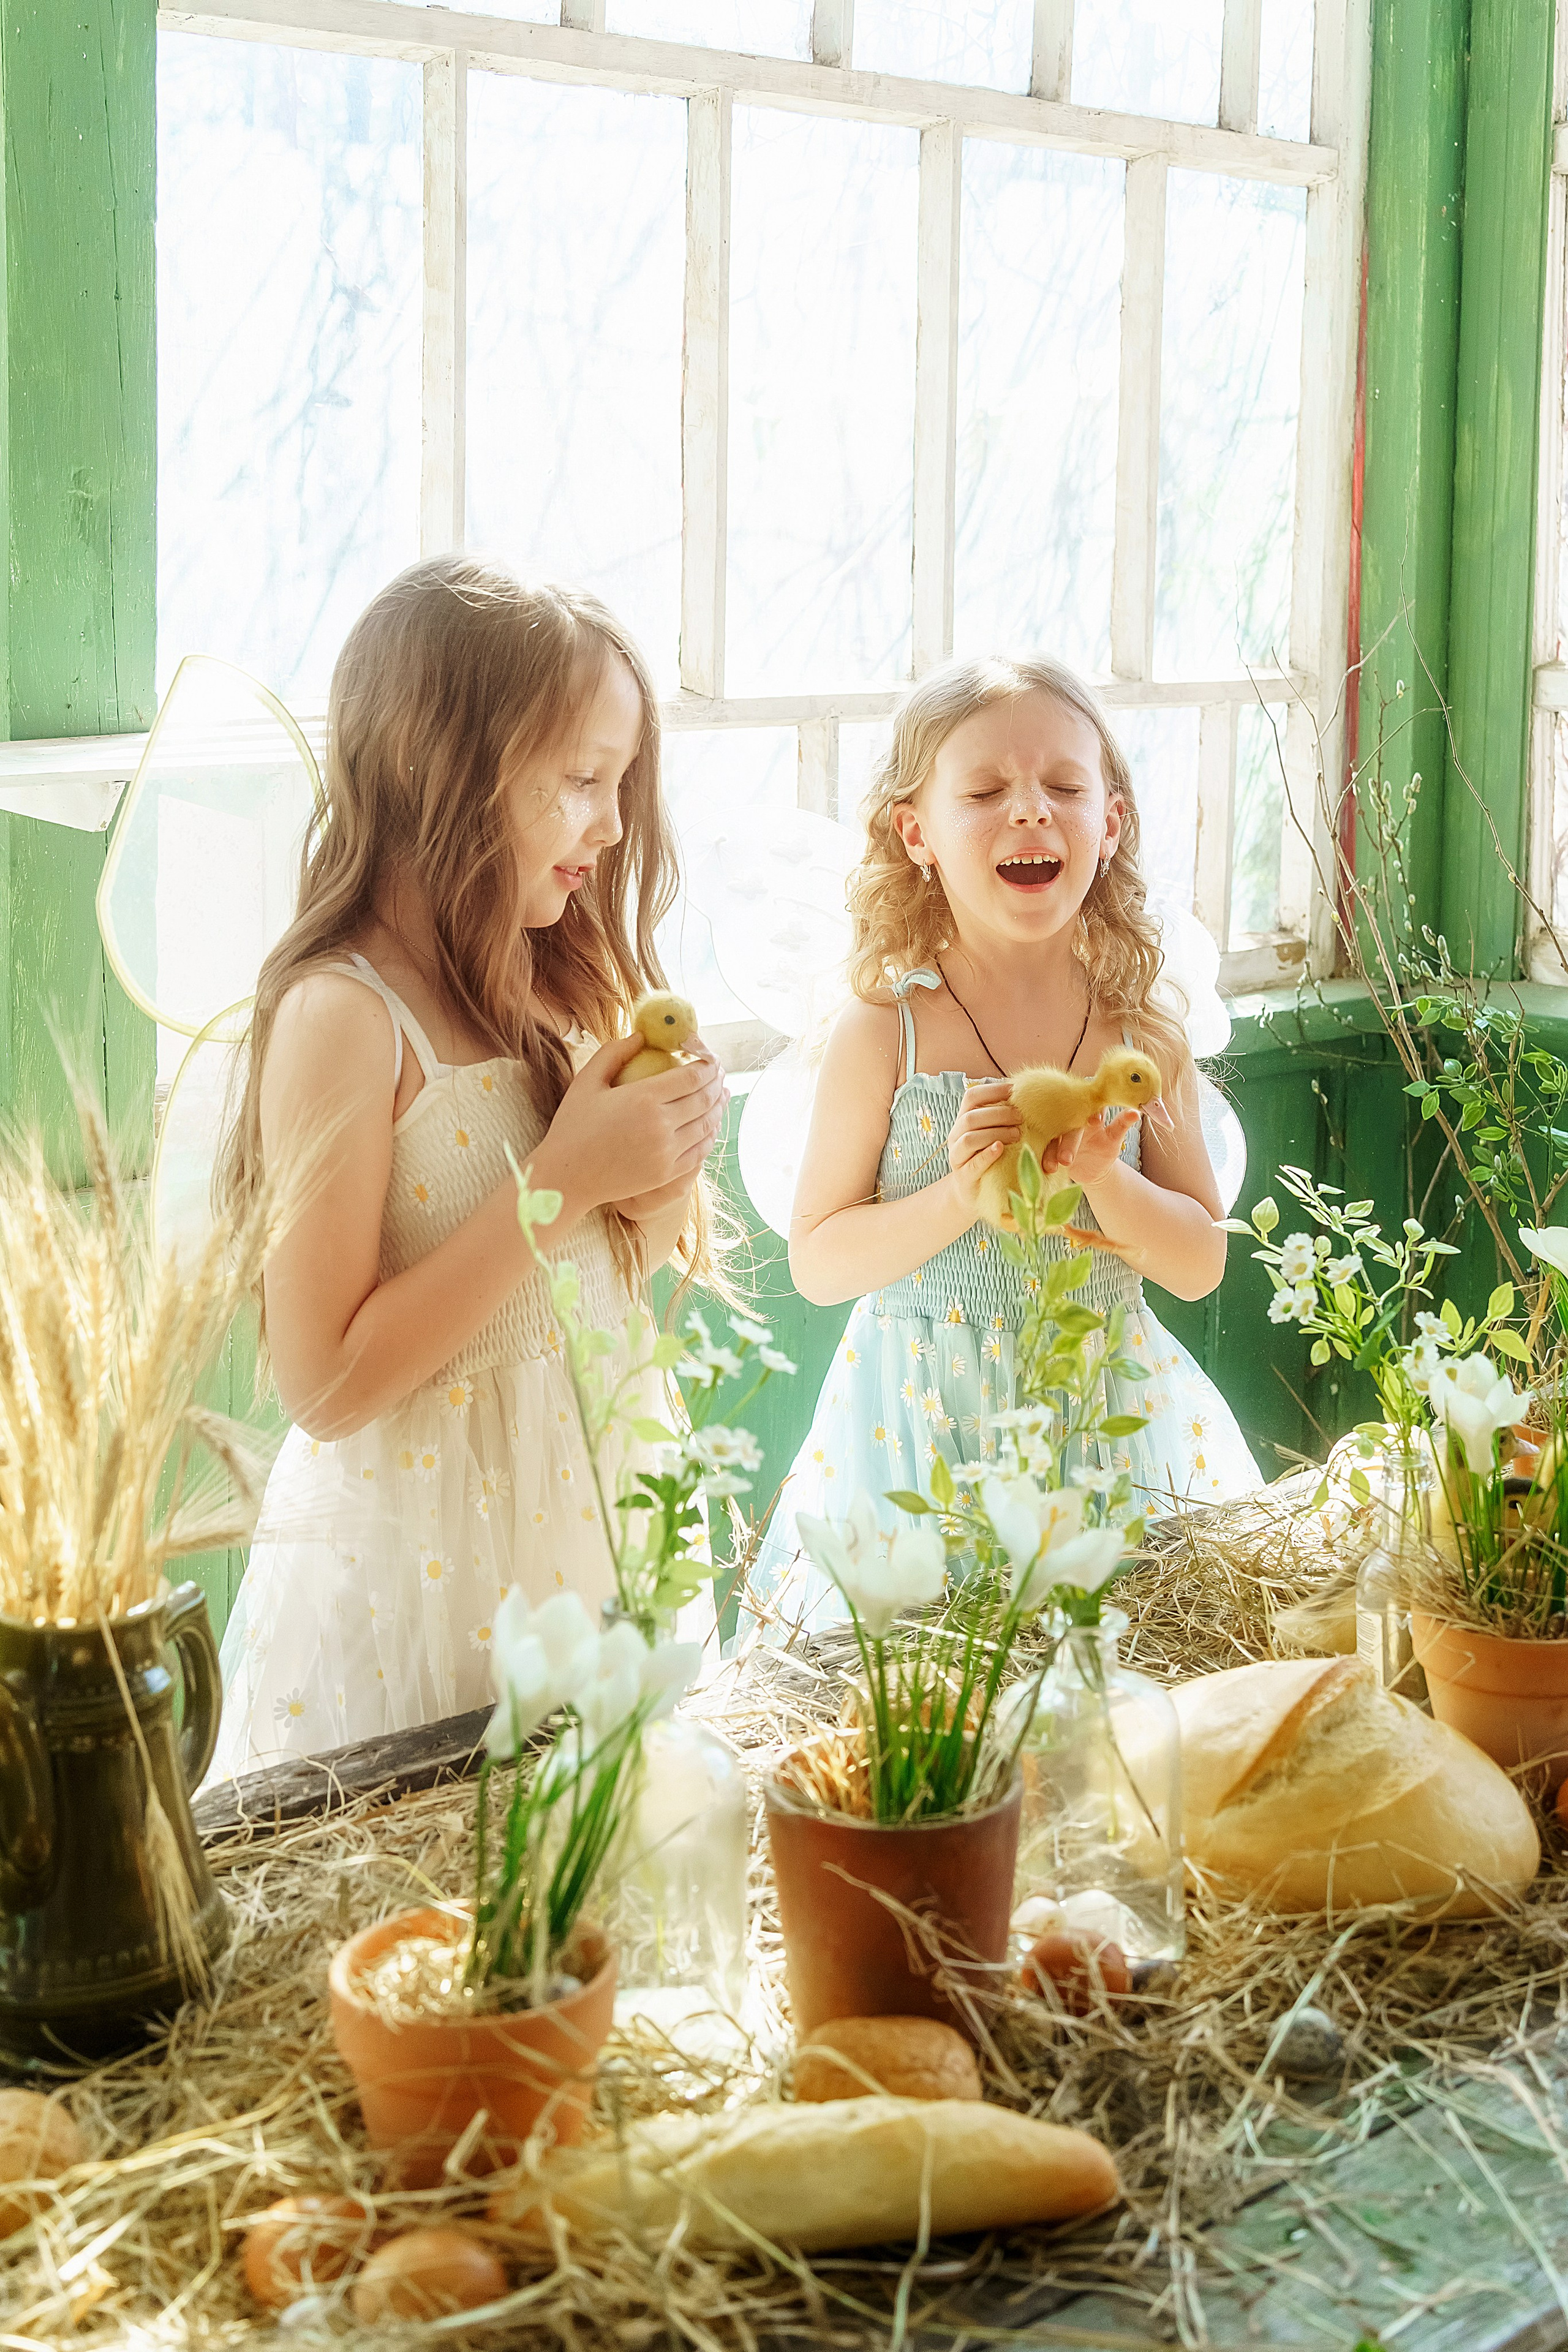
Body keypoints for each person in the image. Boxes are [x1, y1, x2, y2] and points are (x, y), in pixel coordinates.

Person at [208, 557, 728, 1777]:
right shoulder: (347, 1016)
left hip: (587, 1531)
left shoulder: (544, 983)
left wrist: (654, 1182)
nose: (611, 825)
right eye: (583, 781)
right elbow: (326, 1385)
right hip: (425, 1578)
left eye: (621, 785)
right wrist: (563, 1181)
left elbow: (593, 1294)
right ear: (441, 767)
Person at [752, 653, 1259, 1633]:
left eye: (1065, 787)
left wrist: (1106, 1180)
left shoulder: (1143, 1033)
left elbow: (1199, 1264)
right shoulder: (884, 1030)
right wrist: (956, 1195)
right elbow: (818, 1261)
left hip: (1104, 1434)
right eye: (984, 793)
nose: (1030, 810)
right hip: (915, 1442)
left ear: (1109, 825)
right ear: (917, 834)